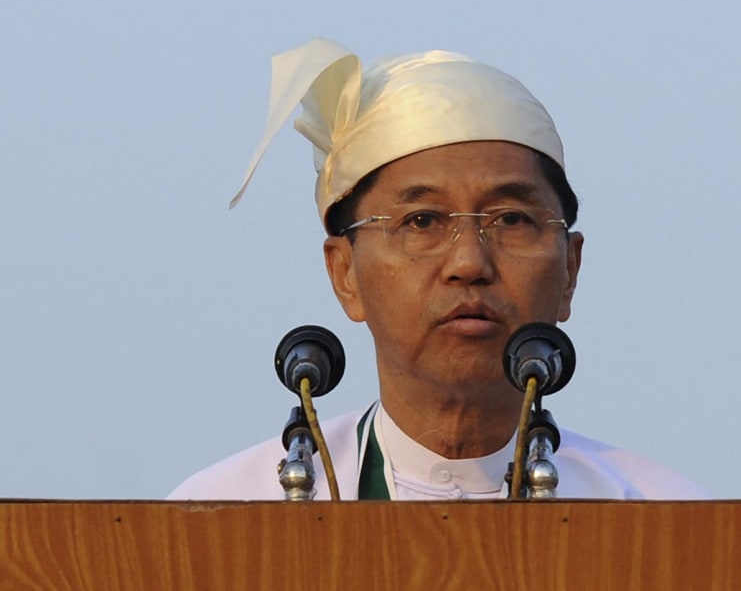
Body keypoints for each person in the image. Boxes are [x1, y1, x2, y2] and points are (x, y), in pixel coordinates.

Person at [168, 38, 707, 500]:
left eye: (511, 219)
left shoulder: (662, 515)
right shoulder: (226, 510)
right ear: (344, 273)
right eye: (422, 220)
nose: (469, 262)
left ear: (570, 269)